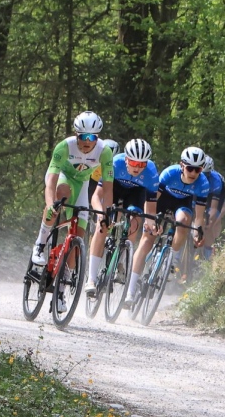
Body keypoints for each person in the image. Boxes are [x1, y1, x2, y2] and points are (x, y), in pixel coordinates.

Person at [33, 112, 116, 280]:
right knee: (59, 197)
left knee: (78, 235)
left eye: (92, 137)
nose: (87, 141)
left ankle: (65, 279)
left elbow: (108, 189)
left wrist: (106, 214)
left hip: (82, 183)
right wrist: (50, 204)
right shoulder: (65, 146)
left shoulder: (104, 151)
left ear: (98, 137)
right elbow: (51, 182)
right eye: (83, 136)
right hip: (63, 177)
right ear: (76, 134)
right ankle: (40, 245)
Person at [112, 138, 161, 290]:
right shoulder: (116, 162)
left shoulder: (151, 172)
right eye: (133, 162)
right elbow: (104, 190)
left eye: (141, 164)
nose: (137, 167)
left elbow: (151, 207)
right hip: (115, 187)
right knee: (108, 218)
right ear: (126, 159)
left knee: (135, 222)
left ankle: (121, 260)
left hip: (135, 192)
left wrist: (151, 223)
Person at [152, 147, 210, 269]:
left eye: (198, 169)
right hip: (164, 198)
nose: (193, 173)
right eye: (190, 168)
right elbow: (153, 199)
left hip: (183, 202)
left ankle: (172, 258)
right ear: (182, 165)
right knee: (152, 228)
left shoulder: (203, 183)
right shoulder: (169, 173)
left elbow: (199, 217)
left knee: (183, 222)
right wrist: (152, 218)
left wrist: (197, 234)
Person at [200, 154, 225, 259]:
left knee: (209, 224)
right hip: (198, 194)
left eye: (206, 174)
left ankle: (208, 255)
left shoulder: (217, 180)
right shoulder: (191, 175)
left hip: (213, 198)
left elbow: (215, 208)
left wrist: (210, 222)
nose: (203, 177)